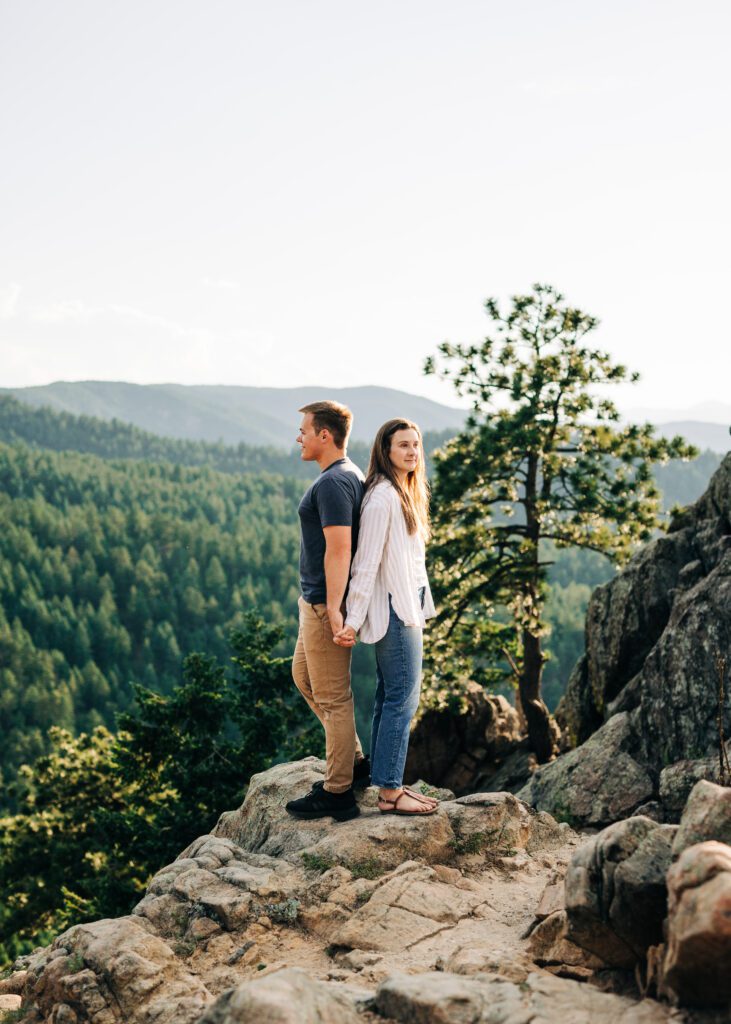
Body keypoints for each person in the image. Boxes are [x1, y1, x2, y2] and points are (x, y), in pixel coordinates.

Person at [334, 418, 438, 815]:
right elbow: (366, 564)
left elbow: (411, 565)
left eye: (416, 445)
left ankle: (384, 779)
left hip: (406, 608)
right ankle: (391, 792)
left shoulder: (403, 493)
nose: (412, 452)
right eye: (403, 446)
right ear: (386, 450)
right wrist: (352, 619)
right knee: (401, 699)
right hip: (394, 613)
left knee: (388, 697)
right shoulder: (382, 499)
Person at [285, 400, 370, 822]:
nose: (298, 436)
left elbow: (340, 549)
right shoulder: (341, 476)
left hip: (323, 605)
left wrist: (334, 610)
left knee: (334, 699)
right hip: (314, 602)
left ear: (324, 435)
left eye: (304, 429)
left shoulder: (335, 482)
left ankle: (338, 791)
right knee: (303, 678)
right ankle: (351, 759)